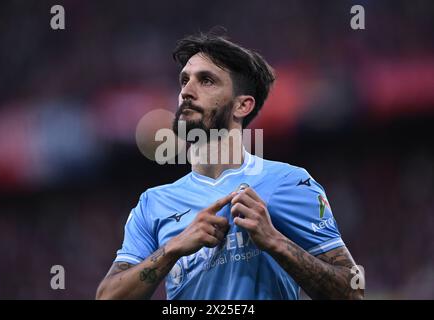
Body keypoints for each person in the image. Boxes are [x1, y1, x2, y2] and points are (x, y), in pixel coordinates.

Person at [96, 32, 364, 300]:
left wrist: (274, 241)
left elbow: (353, 291)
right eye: (184, 81)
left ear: (242, 105)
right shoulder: (152, 203)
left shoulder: (289, 182)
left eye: (207, 81)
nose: (187, 91)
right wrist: (174, 248)